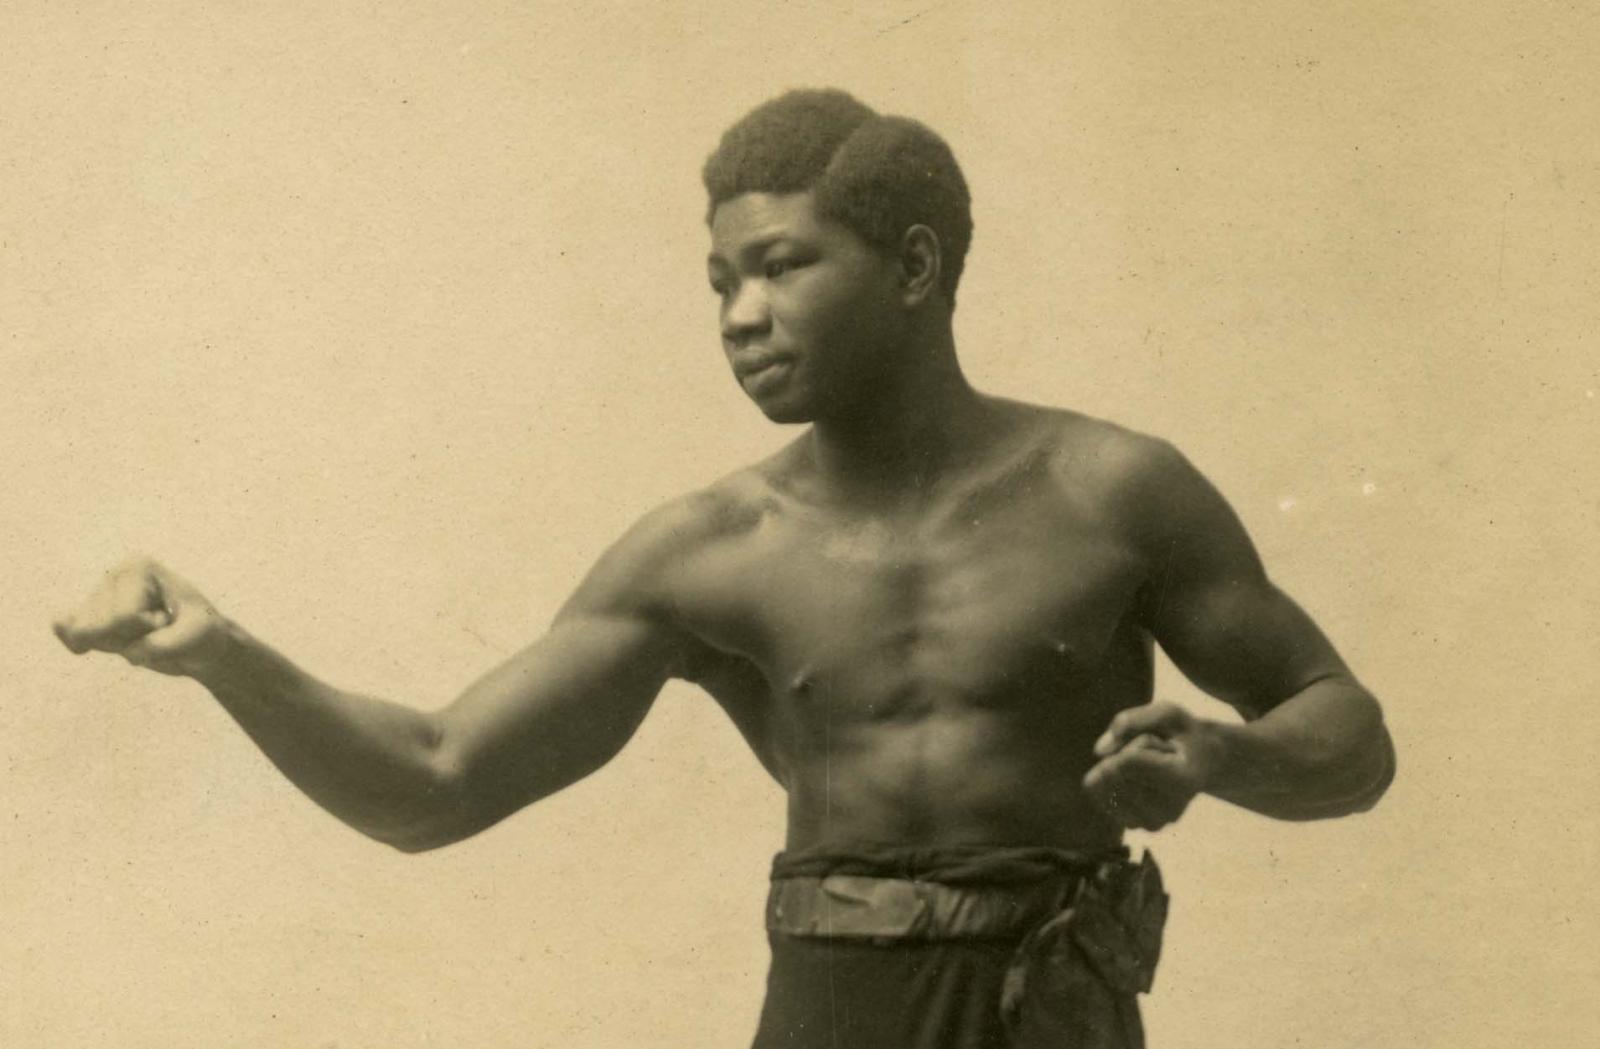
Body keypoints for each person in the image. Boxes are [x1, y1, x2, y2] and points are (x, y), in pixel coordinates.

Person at [52, 89, 1396, 1048]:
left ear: (913, 265)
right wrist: (225, 656)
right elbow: (434, 780)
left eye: (781, 267)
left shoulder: (1113, 489)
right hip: (826, 1016)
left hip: (1056, 1016)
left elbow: (1351, 736)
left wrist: (1225, 757)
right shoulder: (710, 548)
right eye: (719, 282)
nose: (741, 316)